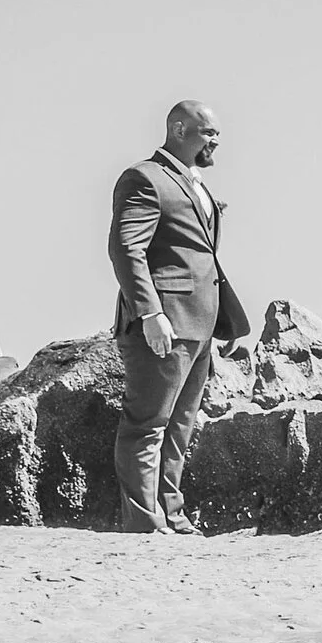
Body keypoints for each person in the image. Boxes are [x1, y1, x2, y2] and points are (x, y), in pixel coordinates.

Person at [107, 100, 251, 534]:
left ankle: (172, 513)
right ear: (178, 128)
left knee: (181, 426)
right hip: (163, 322)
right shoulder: (144, 178)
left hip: (201, 324)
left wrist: (219, 322)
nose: (215, 142)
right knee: (146, 424)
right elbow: (126, 248)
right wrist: (150, 312)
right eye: (208, 133)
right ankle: (144, 522)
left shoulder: (198, 185)